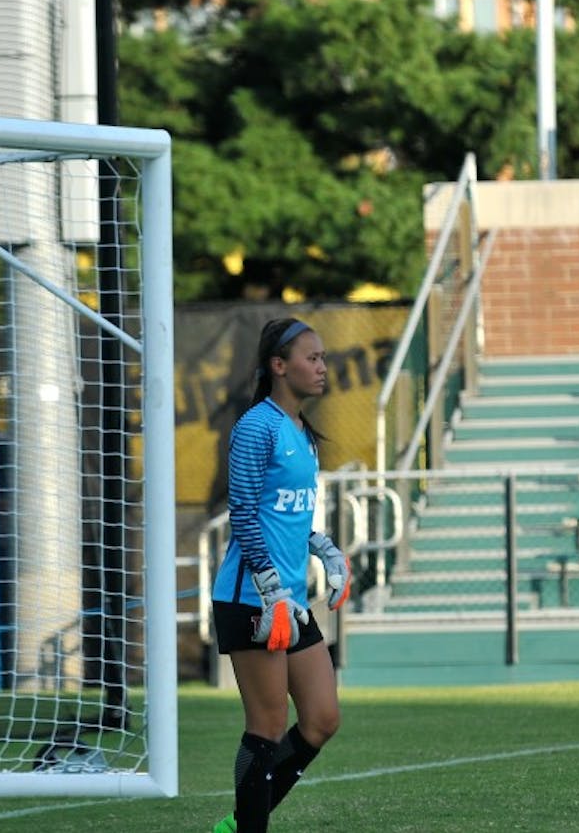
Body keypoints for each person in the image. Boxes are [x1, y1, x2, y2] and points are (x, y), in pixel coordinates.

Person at [210, 317, 351, 833]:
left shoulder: (301, 432)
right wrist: (270, 586)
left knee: (321, 719)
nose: (321, 367)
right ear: (278, 366)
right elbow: (244, 512)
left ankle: (242, 822)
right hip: (253, 599)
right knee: (266, 729)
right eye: (311, 358)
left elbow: (286, 515)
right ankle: (247, 829)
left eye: (322, 358)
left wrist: (324, 549)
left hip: (289, 598)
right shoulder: (256, 426)